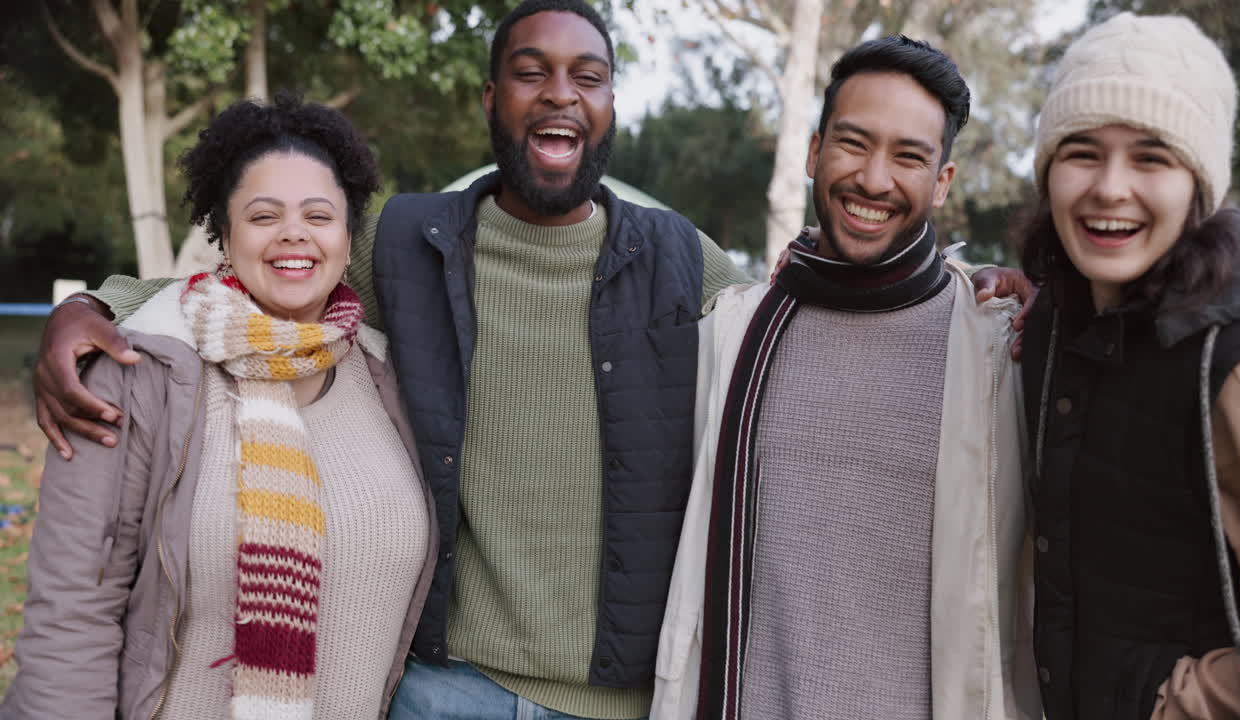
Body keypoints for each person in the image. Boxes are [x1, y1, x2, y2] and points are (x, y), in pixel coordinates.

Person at [27, 2, 1032, 717]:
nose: (560, 93)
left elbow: (831, 294)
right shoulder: (404, 243)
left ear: (610, 106)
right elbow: (271, 268)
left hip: (624, 701)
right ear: (489, 101)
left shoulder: (690, 262)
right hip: (439, 689)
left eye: (586, 76)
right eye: (530, 71)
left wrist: (978, 284)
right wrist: (96, 308)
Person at [3, 94, 436, 719]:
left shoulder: (391, 376)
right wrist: (85, 307)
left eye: (320, 214)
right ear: (224, 236)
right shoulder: (140, 374)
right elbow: (71, 613)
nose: (294, 233)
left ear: (347, 237)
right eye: (264, 216)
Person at [651, 36, 1040, 720]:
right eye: (854, 143)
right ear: (813, 151)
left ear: (943, 181)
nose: (874, 179)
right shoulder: (733, 333)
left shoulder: (998, 349)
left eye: (909, 156)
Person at [1018, 12, 1240, 719]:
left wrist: (1167, 704)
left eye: (1151, 157)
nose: (1109, 188)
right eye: (1081, 151)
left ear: (1199, 186)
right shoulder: (1055, 317)